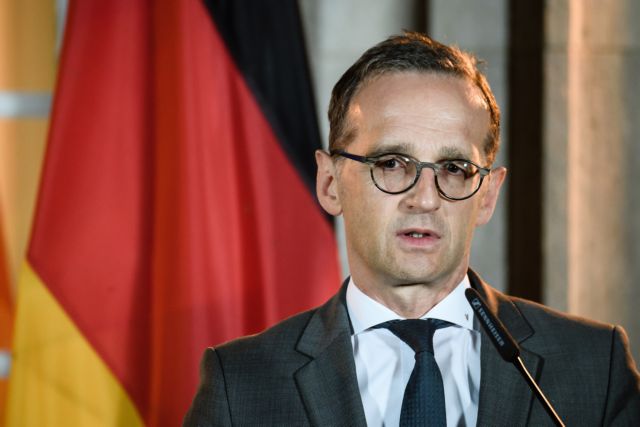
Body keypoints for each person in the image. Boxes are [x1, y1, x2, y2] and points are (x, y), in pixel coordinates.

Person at [184, 32, 640, 426]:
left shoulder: (594, 366)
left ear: (487, 195)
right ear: (330, 184)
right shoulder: (240, 383)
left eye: (455, 168)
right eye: (391, 163)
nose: (424, 198)